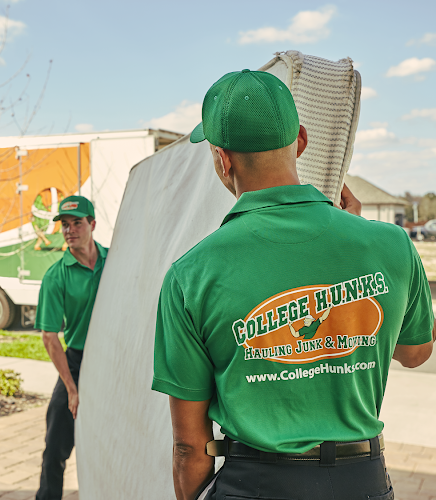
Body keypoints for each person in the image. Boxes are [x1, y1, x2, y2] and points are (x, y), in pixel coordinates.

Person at [152, 69, 435, 500]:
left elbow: (190, 445)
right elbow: (415, 353)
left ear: (222, 159)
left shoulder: (190, 274)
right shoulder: (390, 243)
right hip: (361, 481)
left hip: (254, 484)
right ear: (300, 141)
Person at [34, 195, 108, 500]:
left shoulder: (114, 261)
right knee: (56, 448)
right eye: (64, 224)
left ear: (92, 224)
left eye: (77, 223)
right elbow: (50, 337)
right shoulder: (56, 276)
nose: (69, 230)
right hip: (76, 363)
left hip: (113, 359)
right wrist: (71, 388)